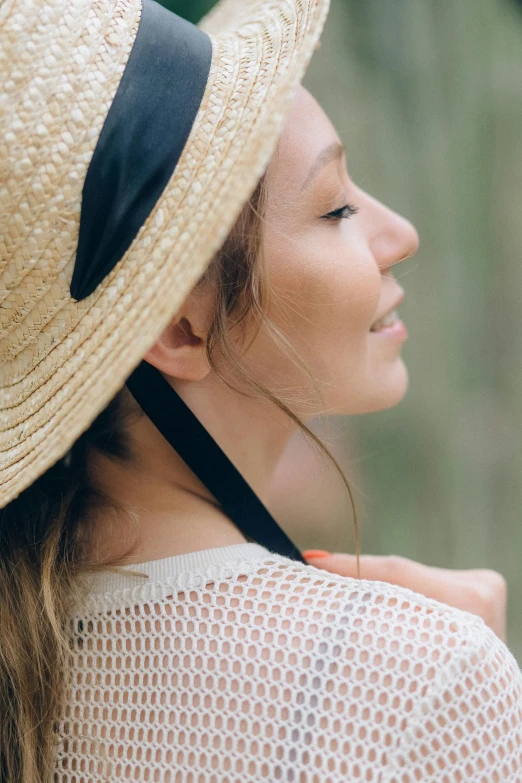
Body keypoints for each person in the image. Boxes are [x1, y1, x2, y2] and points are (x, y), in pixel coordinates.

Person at [1, 0, 520, 779]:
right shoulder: (424, 677)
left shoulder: (30, 649)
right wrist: (459, 688)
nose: (399, 233)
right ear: (179, 331)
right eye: (336, 206)